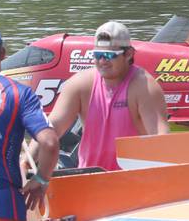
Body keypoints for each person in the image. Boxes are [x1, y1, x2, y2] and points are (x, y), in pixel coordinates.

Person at [30, 21, 169, 171]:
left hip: (131, 180)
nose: (102, 61)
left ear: (129, 54)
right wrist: (26, 162)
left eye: (109, 55)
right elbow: (52, 127)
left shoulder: (144, 87)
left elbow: (160, 139)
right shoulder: (80, 84)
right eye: (97, 55)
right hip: (90, 178)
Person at [0, 23, 58, 221]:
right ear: (3, 54)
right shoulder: (20, 93)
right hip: (1, 210)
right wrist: (41, 180)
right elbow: (49, 142)